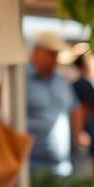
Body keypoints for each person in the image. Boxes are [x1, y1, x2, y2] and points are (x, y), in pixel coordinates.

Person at [25, 31, 82, 175]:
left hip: (62, 164)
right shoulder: (21, 80)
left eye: (56, 54)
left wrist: (78, 133)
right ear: (35, 52)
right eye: (50, 54)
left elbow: (74, 106)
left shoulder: (60, 80)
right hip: (31, 163)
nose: (54, 59)